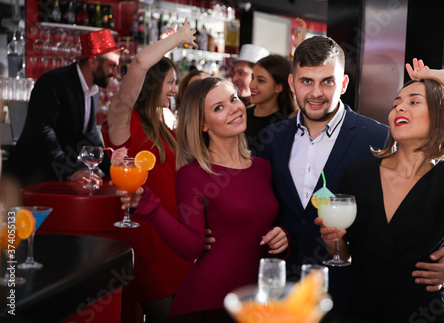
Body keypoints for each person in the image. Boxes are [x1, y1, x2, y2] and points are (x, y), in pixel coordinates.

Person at [256, 36, 444, 313]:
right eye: (306, 81)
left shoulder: (379, 138)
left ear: (343, 84)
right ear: (292, 83)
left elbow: (427, 203)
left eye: (327, 81)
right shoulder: (271, 138)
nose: (316, 92)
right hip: (286, 290)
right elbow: (260, 204)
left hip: (353, 294)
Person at [317, 59, 444, 322]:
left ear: (440, 115)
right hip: (365, 311)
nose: (400, 107)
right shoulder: (359, 173)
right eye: (395, 104)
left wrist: (441, 76)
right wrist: (334, 243)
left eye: (414, 101)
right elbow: (346, 255)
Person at [121, 77, 289, 317]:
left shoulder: (263, 166)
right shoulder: (193, 174)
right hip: (209, 301)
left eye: (233, 99)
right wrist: (152, 208)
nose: (233, 108)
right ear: (202, 125)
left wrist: (283, 237)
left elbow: (265, 225)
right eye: (218, 107)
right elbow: (192, 248)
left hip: (255, 301)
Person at [101, 20, 197, 322]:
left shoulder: (167, 125)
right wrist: (179, 37)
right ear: (153, 85)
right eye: (170, 81)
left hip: (173, 234)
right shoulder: (122, 121)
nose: (173, 89)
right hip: (146, 237)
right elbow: (141, 62)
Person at [6, 29, 121, 187]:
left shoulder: (92, 91)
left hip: (56, 178)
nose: (115, 73)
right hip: (30, 178)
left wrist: (113, 171)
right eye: (112, 66)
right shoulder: (53, 82)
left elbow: (89, 135)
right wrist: (70, 171)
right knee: (17, 214)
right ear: (93, 61)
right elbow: (43, 130)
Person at [245, 54, 297, 155]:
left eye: (261, 80)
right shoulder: (241, 116)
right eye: (252, 78)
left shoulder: (289, 122)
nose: (251, 85)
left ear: (279, 87)